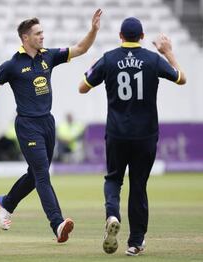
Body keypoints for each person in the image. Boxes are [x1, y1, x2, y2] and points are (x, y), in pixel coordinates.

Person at [0, 9, 102, 243]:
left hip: (48, 123)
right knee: (42, 176)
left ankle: (7, 202)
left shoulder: (48, 56)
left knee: (35, 174)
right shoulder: (12, 65)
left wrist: (93, 30)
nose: (42, 37)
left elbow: (80, 49)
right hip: (27, 126)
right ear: (25, 38)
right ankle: (57, 224)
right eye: (38, 34)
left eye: (42, 33)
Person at [78, 17, 186, 255]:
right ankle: (135, 242)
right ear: (143, 36)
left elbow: (82, 87)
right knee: (139, 186)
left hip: (117, 133)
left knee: (114, 179)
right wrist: (168, 51)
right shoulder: (152, 59)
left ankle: (112, 215)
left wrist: (94, 68)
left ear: (120, 36)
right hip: (145, 135)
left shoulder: (109, 58)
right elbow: (181, 78)